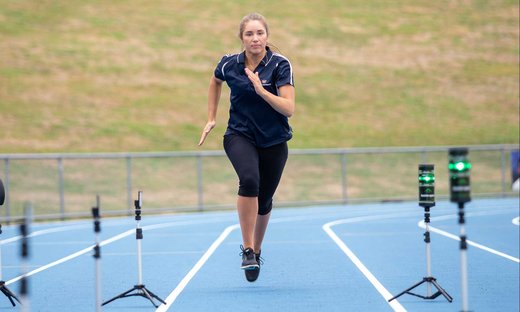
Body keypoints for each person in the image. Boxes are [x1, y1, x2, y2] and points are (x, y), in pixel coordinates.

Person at [198, 12, 295, 282]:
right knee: (249, 180)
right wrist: (211, 117)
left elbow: (289, 109)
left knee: (264, 200)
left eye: (259, 33)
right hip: (239, 135)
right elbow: (215, 80)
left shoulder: (280, 65)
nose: (255, 38)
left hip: (274, 140)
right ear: (242, 38)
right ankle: (247, 249)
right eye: (249, 34)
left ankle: (258, 250)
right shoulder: (229, 63)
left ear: (267, 36)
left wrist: (262, 90)